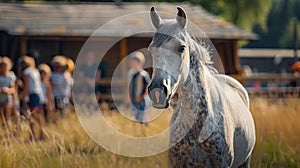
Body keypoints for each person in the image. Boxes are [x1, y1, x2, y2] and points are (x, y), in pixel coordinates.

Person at [18, 56, 45, 140]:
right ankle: (42, 134)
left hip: (32, 95)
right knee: (39, 116)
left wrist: (22, 96)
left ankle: (32, 135)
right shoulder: (35, 71)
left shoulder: (26, 72)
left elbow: (26, 86)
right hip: (39, 94)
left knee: (31, 116)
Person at [128, 51, 150, 124]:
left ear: (140, 64)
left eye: (135, 63)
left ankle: (143, 131)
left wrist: (141, 96)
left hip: (142, 99)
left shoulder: (143, 74)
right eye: (132, 63)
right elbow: (129, 86)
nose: (133, 65)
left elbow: (147, 87)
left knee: (142, 117)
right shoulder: (130, 73)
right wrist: (129, 96)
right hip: (133, 99)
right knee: (134, 116)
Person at [0, 57, 15, 134]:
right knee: (2, 117)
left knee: (7, 116)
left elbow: (13, 89)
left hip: (7, 99)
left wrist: (7, 90)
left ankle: (8, 133)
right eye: (2, 66)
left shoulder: (11, 76)